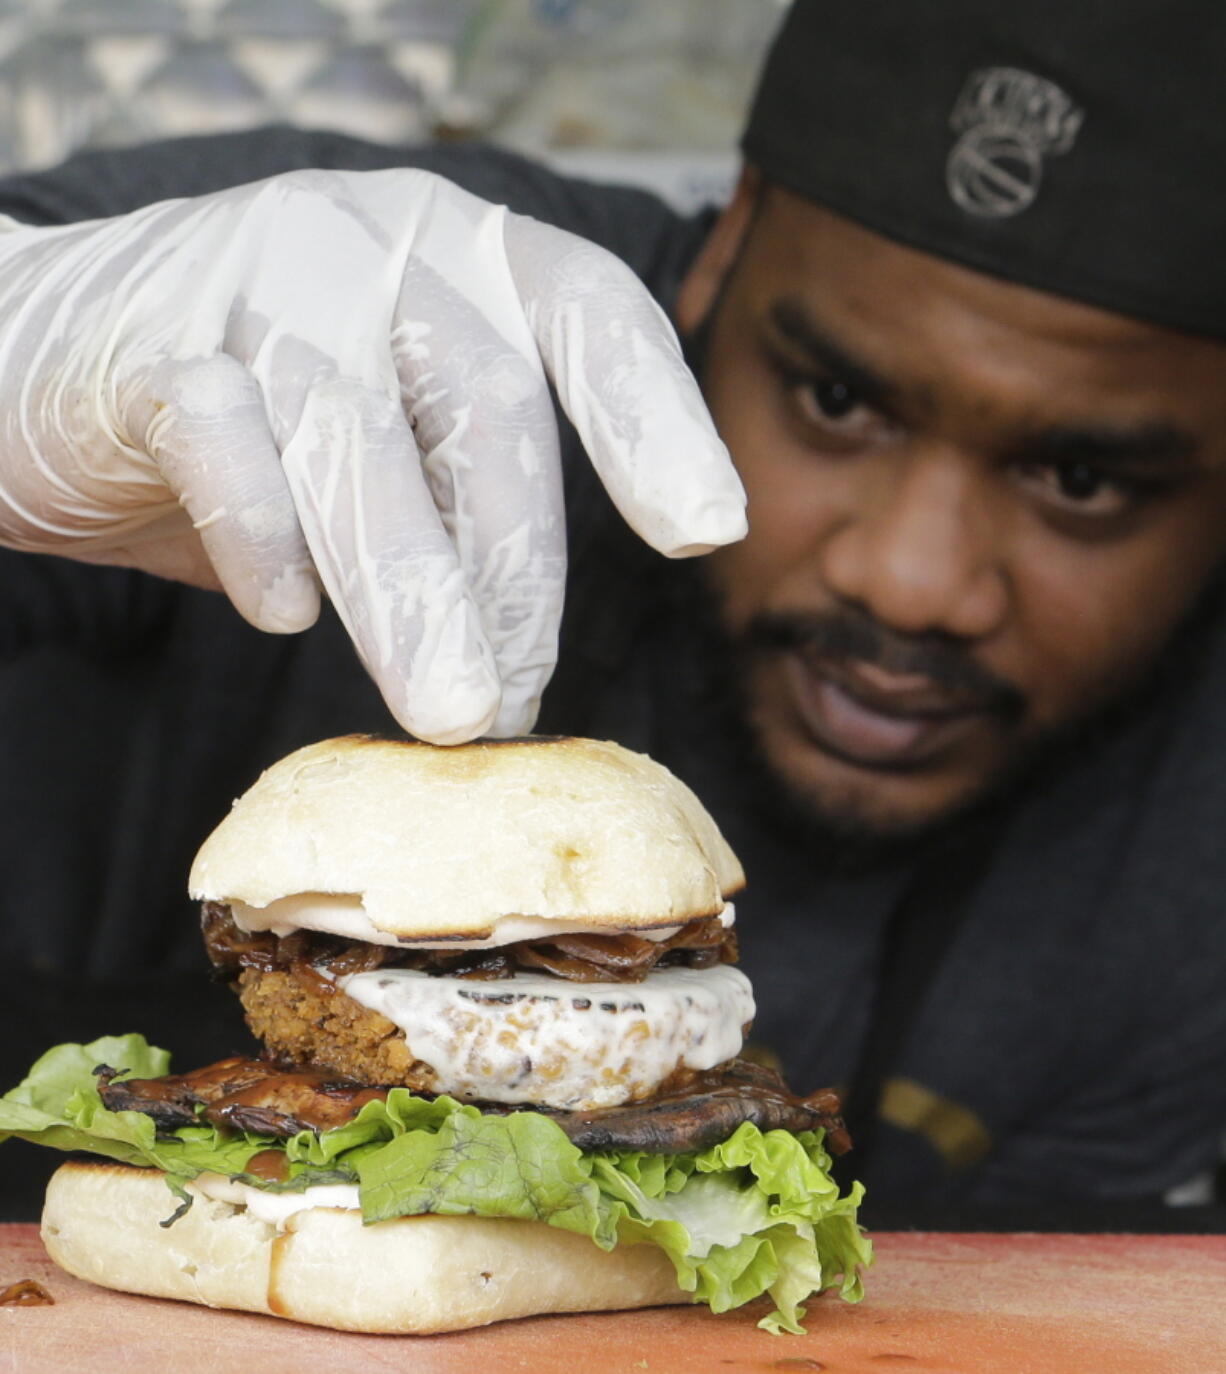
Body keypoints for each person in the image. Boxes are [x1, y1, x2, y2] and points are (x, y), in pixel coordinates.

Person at [1, 0, 1224, 1220]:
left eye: (1081, 480)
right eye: (837, 400)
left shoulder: (1189, 871)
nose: (910, 579)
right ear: (726, 239)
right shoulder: (372, 289)